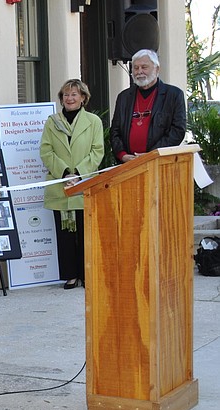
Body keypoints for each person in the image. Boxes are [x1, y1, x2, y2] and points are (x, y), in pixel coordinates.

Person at [40, 79, 104, 290]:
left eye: (74, 94)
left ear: (83, 98)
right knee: (64, 235)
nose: (69, 98)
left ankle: (87, 274)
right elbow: (46, 150)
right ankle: (70, 275)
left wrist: (78, 173)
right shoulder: (52, 121)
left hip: (84, 184)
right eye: (66, 95)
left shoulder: (93, 121)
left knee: (86, 234)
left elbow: (97, 151)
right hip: (60, 184)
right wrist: (65, 172)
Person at [110, 49, 186, 163]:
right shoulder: (124, 97)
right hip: (128, 164)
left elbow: (177, 131)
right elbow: (115, 131)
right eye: (135, 68)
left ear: (157, 69)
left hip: (159, 162)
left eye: (144, 67)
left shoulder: (173, 95)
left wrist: (152, 155)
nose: (139, 71)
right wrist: (122, 154)